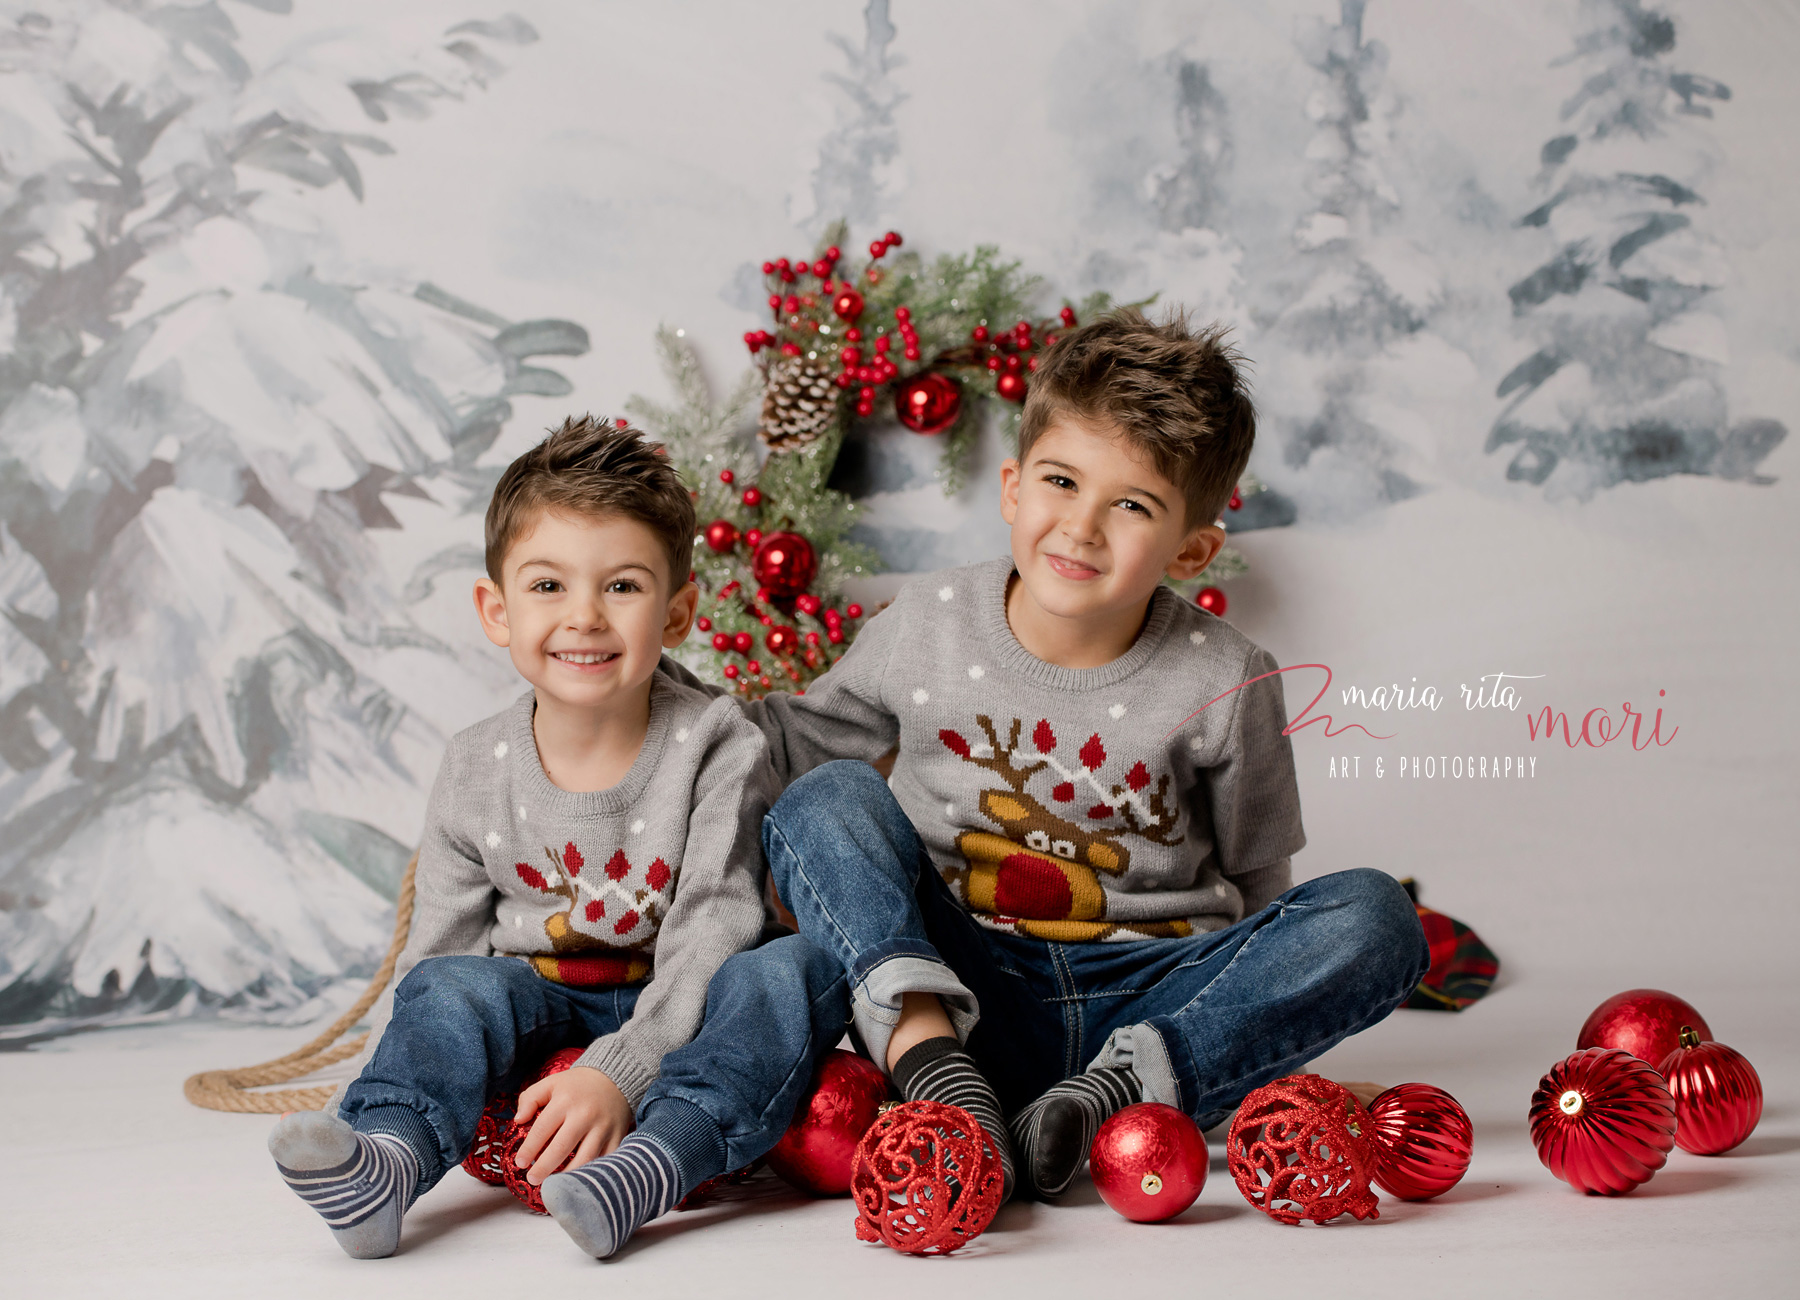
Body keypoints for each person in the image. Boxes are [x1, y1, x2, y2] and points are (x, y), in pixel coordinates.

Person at [747, 309, 1431, 1201]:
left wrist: (1251, 1031)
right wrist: (644, 708)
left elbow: (1264, 882)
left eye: (1132, 505)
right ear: (1011, 487)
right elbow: (794, 749)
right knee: (825, 799)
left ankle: (1116, 1092)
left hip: (1156, 992)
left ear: (1192, 548)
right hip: (967, 983)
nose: (1081, 527)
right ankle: (935, 1071)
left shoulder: (1228, 677)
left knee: (1376, 914)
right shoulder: (929, 623)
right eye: (1061, 482)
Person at [268, 417, 846, 1259]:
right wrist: (375, 1083)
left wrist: (624, 1068)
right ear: (495, 610)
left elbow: (712, 928)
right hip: (539, 1005)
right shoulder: (474, 764)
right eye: (547, 587)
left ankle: (649, 1166)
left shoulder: (717, 742)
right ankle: (386, 1165)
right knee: (450, 988)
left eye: (622, 586)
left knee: (791, 968)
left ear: (679, 611)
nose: (584, 617)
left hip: (683, 1000)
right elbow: (438, 955)